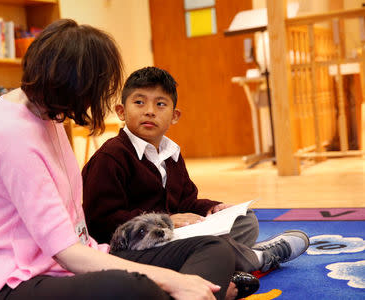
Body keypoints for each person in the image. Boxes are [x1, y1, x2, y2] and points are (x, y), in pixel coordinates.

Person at [0, 19, 243, 300]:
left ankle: (195, 292)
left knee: (212, 248)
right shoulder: (13, 135)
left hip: (76, 261)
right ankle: (201, 292)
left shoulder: (47, 115)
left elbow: (78, 237)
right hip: (17, 282)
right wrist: (172, 280)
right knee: (132, 287)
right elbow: (67, 253)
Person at [82, 66, 310, 275]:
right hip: (130, 250)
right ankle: (257, 258)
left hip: (173, 236)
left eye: (160, 104)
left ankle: (227, 257)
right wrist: (167, 222)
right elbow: (102, 222)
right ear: (121, 111)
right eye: (139, 103)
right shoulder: (111, 156)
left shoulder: (171, 153)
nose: (150, 111)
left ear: (174, 116)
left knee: (245, 220)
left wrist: (212, 208)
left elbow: (186, 203)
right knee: (211, 245)